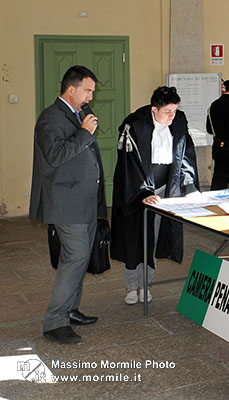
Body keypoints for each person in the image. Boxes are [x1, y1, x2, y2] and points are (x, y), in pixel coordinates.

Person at [29, 65, 105, 344]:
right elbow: (55, 155)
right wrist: (85, 133)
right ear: (71, 89)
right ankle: (54, 322)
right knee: (74, 259)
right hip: (66, 203)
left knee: (78, 259)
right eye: (87, 91)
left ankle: (70, 310)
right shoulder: (51, 117)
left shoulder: (75, 114)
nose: (90, 97)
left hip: (82, 201)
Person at [110, 86, 200, 305]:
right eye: (167, 112)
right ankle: (132, 286)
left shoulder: (179, 122)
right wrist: (143, 192)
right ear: (154, 109)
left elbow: (185, 155)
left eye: (175, 111)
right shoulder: (135, 124)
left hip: (164, 190)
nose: (172, 116)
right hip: (135, 191)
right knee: (133, 239)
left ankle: (147, 284)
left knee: (153, 237)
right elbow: (128, 164)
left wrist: (189, 186)